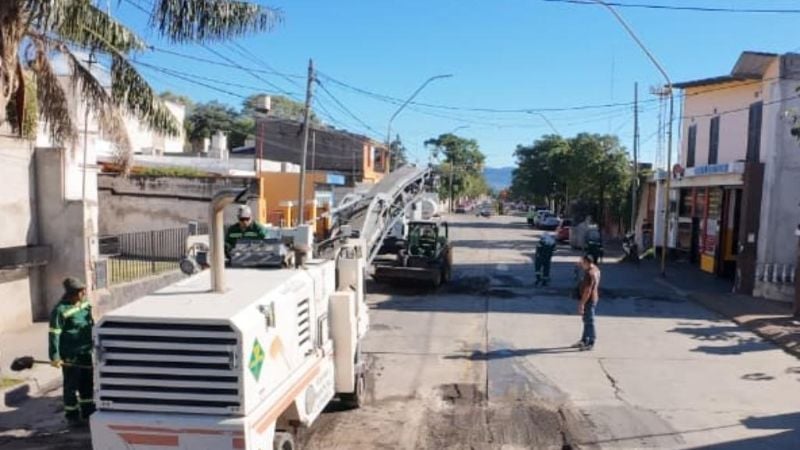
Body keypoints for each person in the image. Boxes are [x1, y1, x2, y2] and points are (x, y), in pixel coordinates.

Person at [49, 277, 95, 426]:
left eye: (84, 291)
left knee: (87, 382)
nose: (84, 294)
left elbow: (90, 323)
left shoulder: (85, 304)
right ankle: (72, 415)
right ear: (72, 294)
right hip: (70, 354)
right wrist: (55, 356)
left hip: (85, 351)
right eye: (81, 292)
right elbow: (54, 334)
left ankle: (88, 410)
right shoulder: (60, 311)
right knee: (71, 384)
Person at [573, 255, 601, 351]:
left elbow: (587, 291)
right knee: (586, 320)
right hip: (593, 298)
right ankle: (584, 340)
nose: (582, 265)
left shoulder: (589, 274)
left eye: (583, 263)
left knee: (589, 321)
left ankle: (591, 341)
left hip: (589, 300)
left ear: (588, 263)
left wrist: (582, 304)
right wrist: (579, 265)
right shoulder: (596, 269)